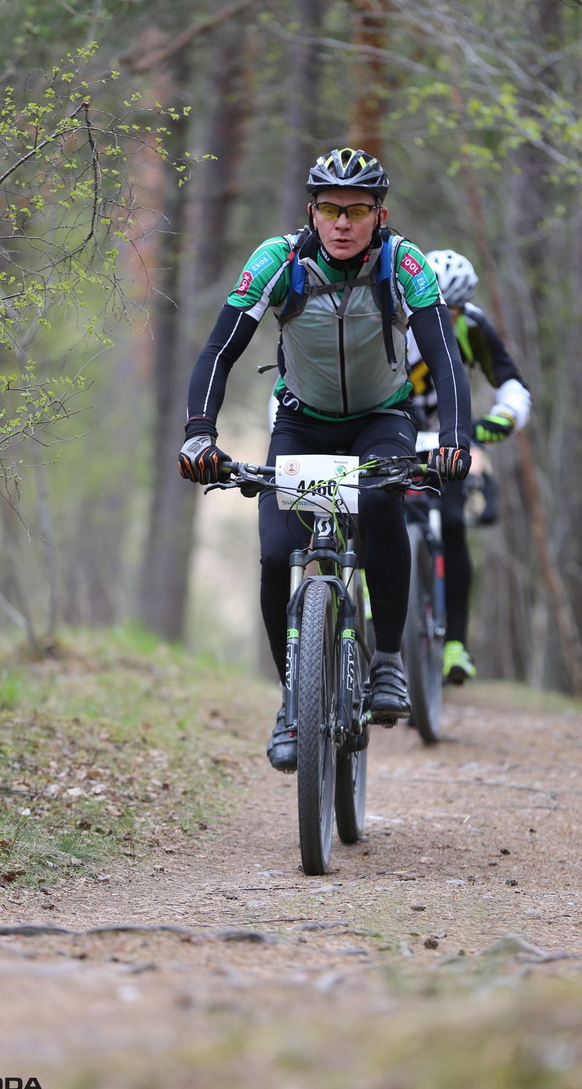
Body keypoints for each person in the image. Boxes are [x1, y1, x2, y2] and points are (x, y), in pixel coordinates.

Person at [178, 148, 472, 771]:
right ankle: (294, 702)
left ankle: (387, 663)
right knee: (273, 551)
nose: (342, 222)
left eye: (357, 210)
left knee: (381, 507)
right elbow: (218, 351)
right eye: (330, 209)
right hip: (302, 422)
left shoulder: (405, 264)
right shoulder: (277, 261)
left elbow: (443, 357)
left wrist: (455, 440)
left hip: (382, 419)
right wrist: (200, 434)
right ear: (311, 212)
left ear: (379, 215)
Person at [406, 249, 531, 684]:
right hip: (393, 431)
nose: (445, 315)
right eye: (440, 305)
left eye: (453, 308)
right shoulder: (393, 315)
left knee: (455, 526)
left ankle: (455, 644)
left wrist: (502, 420)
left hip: (447, 438)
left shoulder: (473, 325)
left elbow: (512, 383)